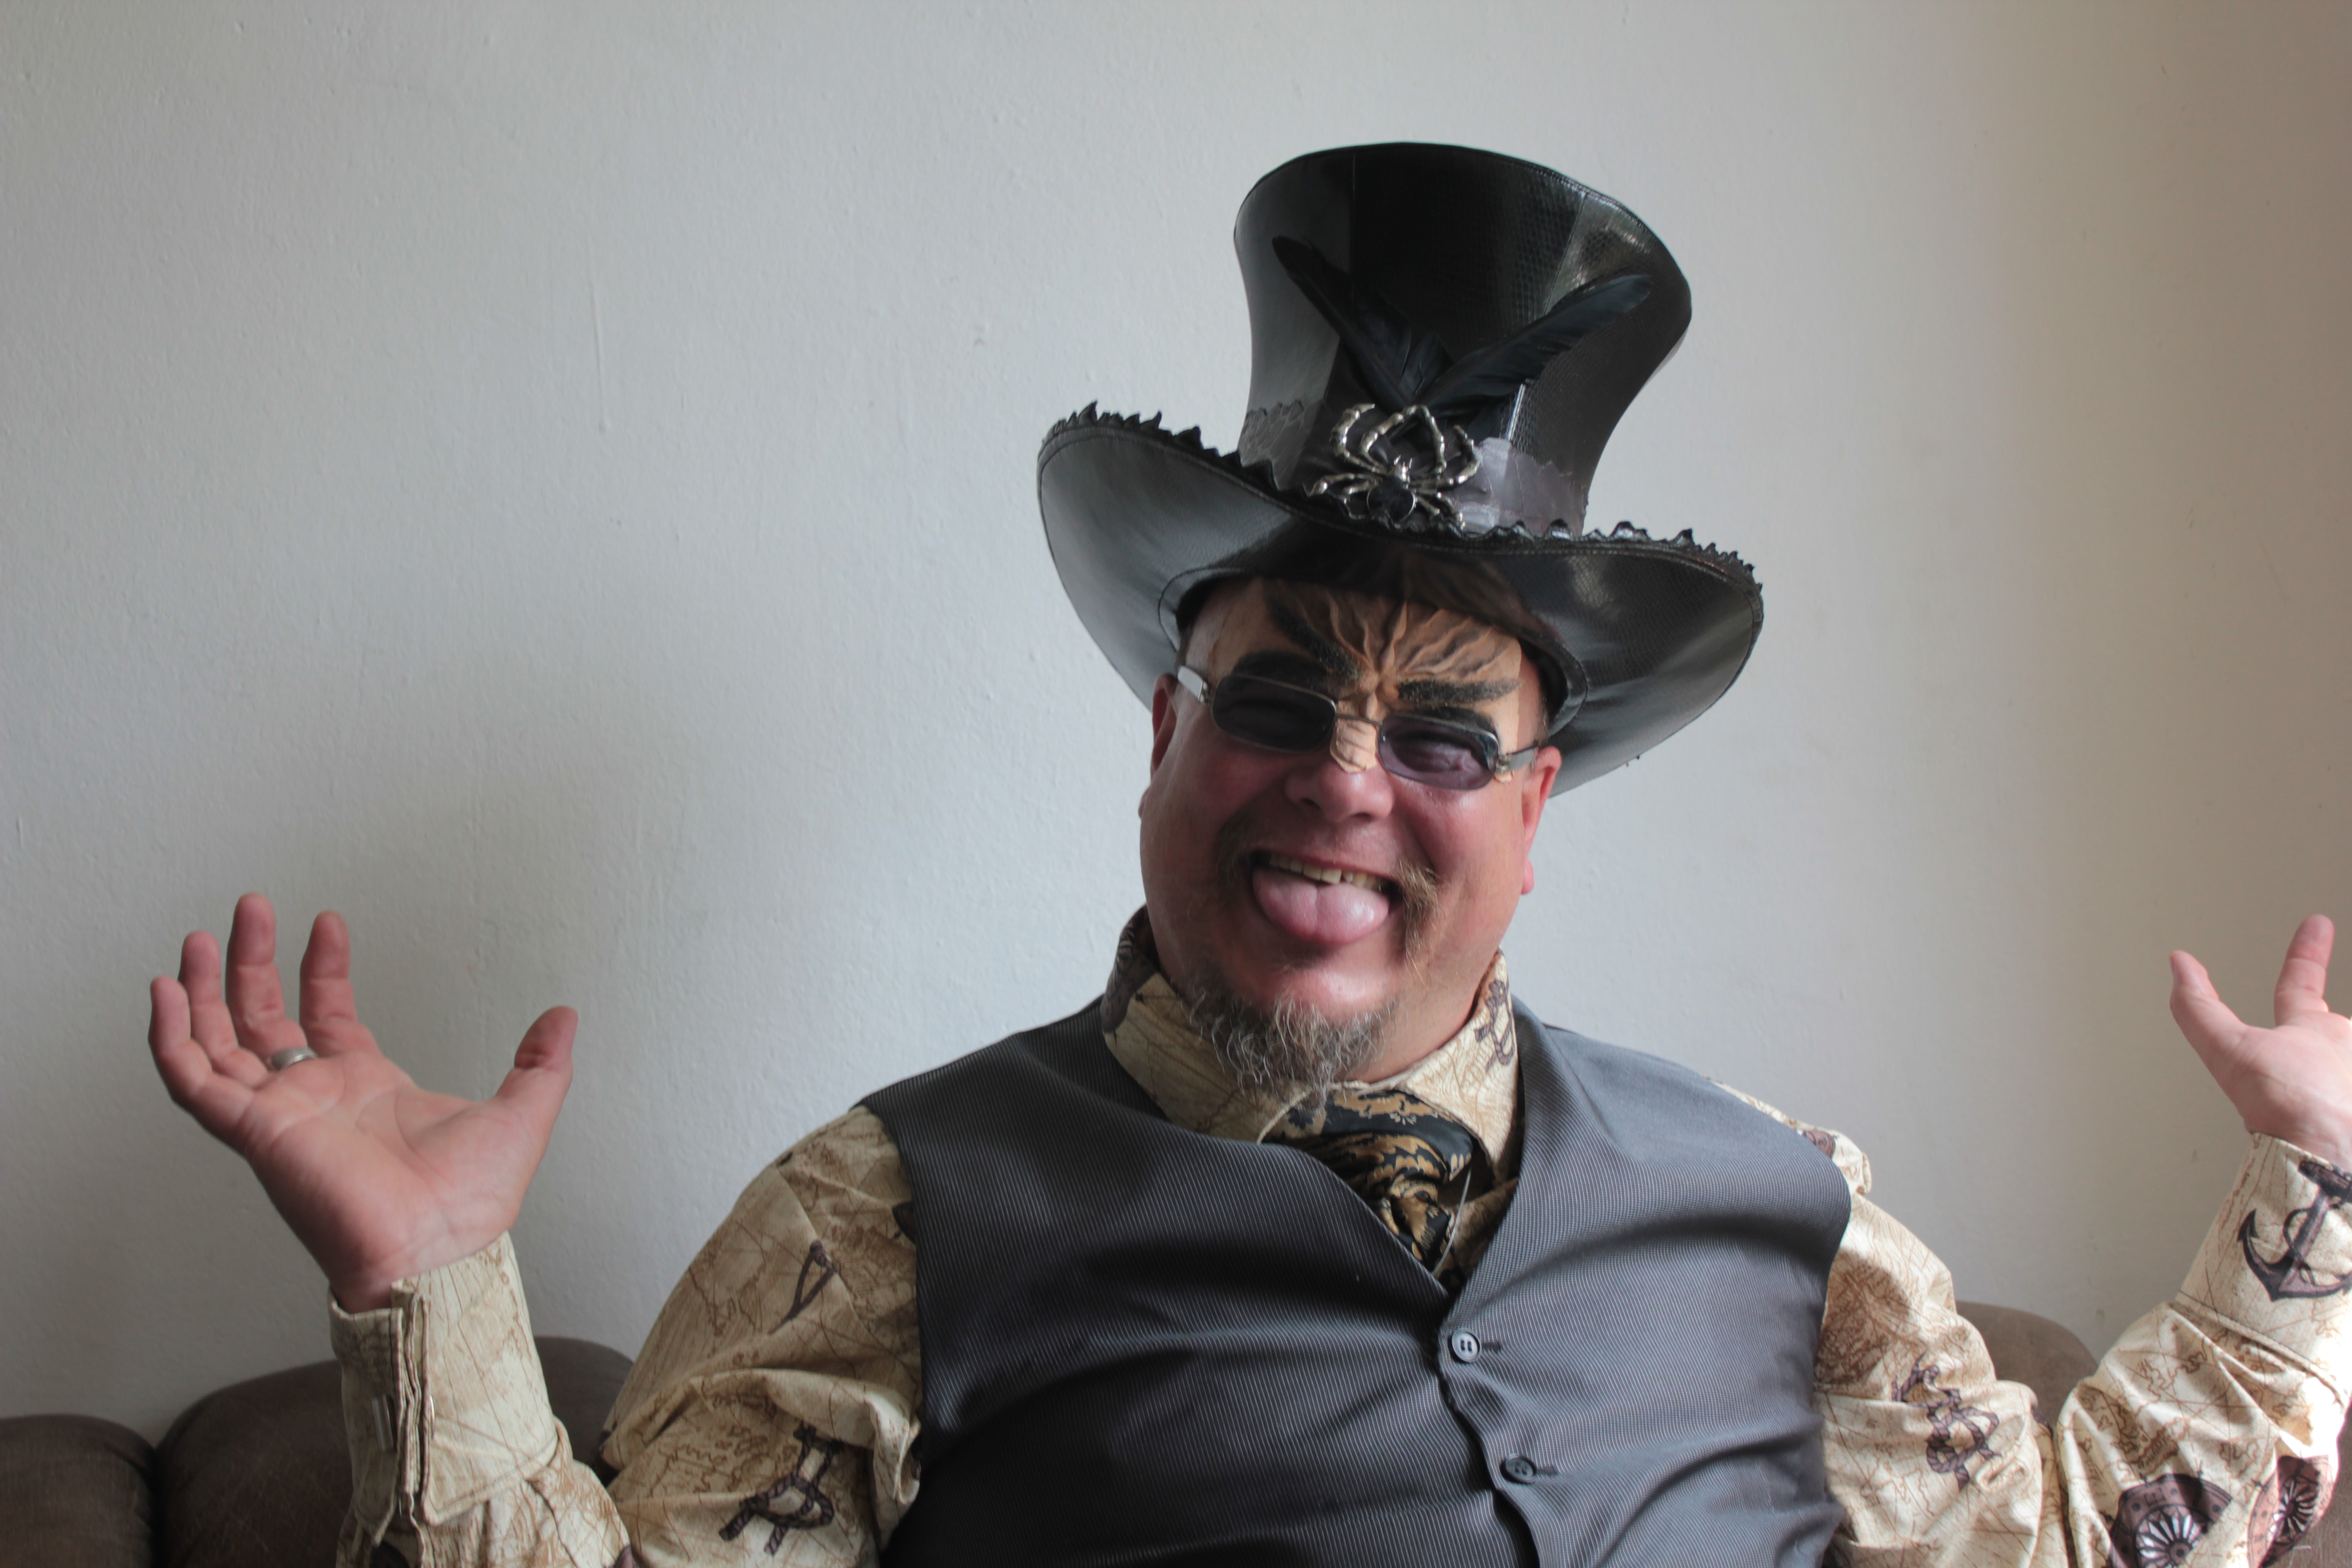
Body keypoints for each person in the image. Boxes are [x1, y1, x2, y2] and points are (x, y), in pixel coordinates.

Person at [147, 144, 2352, 1567]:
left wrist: (2317, 1185)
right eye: (1278, 703)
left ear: (1534, 809)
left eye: (1444, 735)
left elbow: (2072, 1547)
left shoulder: (1786, 1203)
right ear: (1166, 737)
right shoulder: (882, 1217)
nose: (1346, 780)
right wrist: (429, 1294)